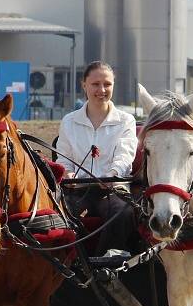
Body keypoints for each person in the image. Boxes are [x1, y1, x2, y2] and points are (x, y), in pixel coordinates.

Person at [56, 61, 138, 255]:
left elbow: (125, 155)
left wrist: (112, 174)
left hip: (111, 190)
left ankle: (105, 265)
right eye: (95, 84)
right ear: (84, 84)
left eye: (107, 84)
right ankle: (69, 263)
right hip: (78, 191)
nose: (102, 89)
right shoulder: (69, 121)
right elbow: (63, 158)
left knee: (123, 213)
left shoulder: (126, 121)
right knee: (57, 214)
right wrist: (68, 173)